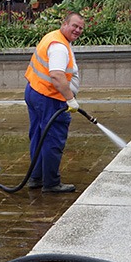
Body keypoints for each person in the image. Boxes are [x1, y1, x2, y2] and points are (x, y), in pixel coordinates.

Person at [24, 12, 85, 193]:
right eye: (74, 26)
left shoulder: (52, 36)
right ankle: (51, 183)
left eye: (81, 28)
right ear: (64, 23)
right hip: (50, 97)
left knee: (38, 136)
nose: (77, 30)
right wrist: (70, 99)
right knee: (52, 139)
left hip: (35, 91)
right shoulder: (59, 46)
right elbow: (57, 75)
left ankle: (36, 177)